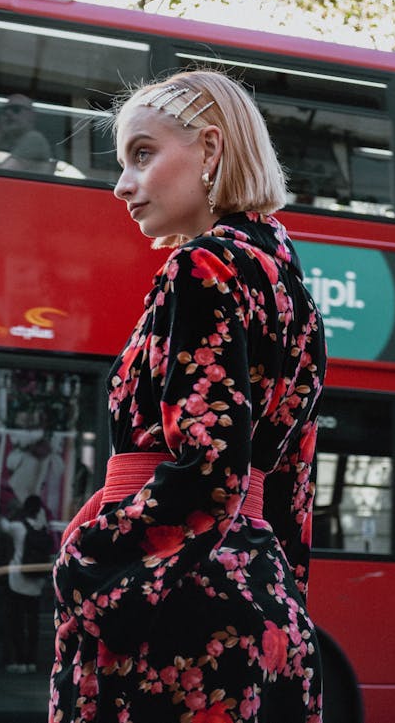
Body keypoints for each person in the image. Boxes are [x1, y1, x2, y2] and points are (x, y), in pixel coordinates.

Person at [50, 69, 327, 723]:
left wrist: (88, 558)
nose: (122, 185)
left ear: (209, 149)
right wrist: (280, 603)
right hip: (263, 604)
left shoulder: (200, 266)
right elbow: (290, 486)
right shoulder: (294, 293)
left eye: (142, 154)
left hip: (171, 610)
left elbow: (211, 470)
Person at [0, 494, 49, 673]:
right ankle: (31, 661)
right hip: (36, 582)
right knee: (32, 623)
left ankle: (18, 661)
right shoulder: (42, 528)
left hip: (17, 580)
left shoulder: (18, 527)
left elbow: (1, 524)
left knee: (16, 621)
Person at [0, 94, 52, 173]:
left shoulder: (34, 138)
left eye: (16, 109)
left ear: (31, 115)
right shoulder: (19, 141)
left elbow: (2, 174)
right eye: (5, 111)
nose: (8, 113)